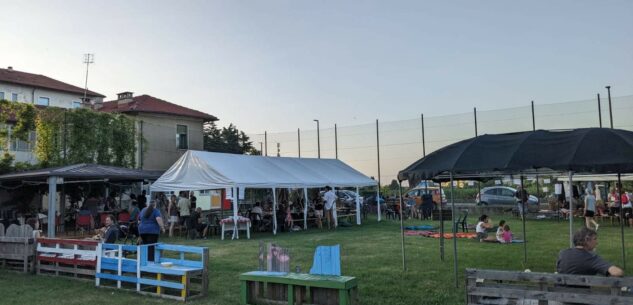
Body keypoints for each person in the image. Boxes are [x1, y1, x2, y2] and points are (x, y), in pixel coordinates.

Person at [557, 228, 623, 277]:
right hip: (583, 294)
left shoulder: (563, 253)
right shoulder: (591, 258)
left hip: (557, 293)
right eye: (595, 239)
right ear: (587, 240)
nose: (597, 242)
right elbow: (617, 272)